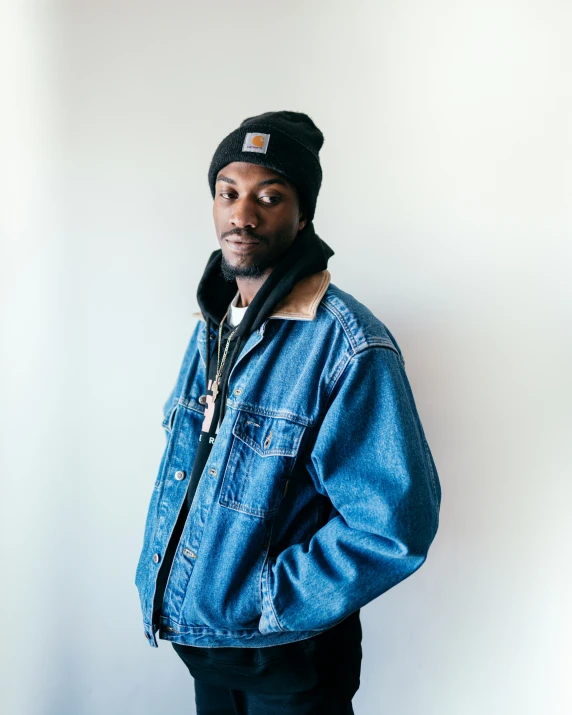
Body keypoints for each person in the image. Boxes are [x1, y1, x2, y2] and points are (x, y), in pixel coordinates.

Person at [134, 110, 441, 714]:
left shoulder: (348, 345)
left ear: (304, 216)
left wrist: (267, 599)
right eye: (229, 193)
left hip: (292, 661)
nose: (242, 214)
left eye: (269, 197)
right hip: (207, 645)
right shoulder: (216, 327)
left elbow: (393, 525)